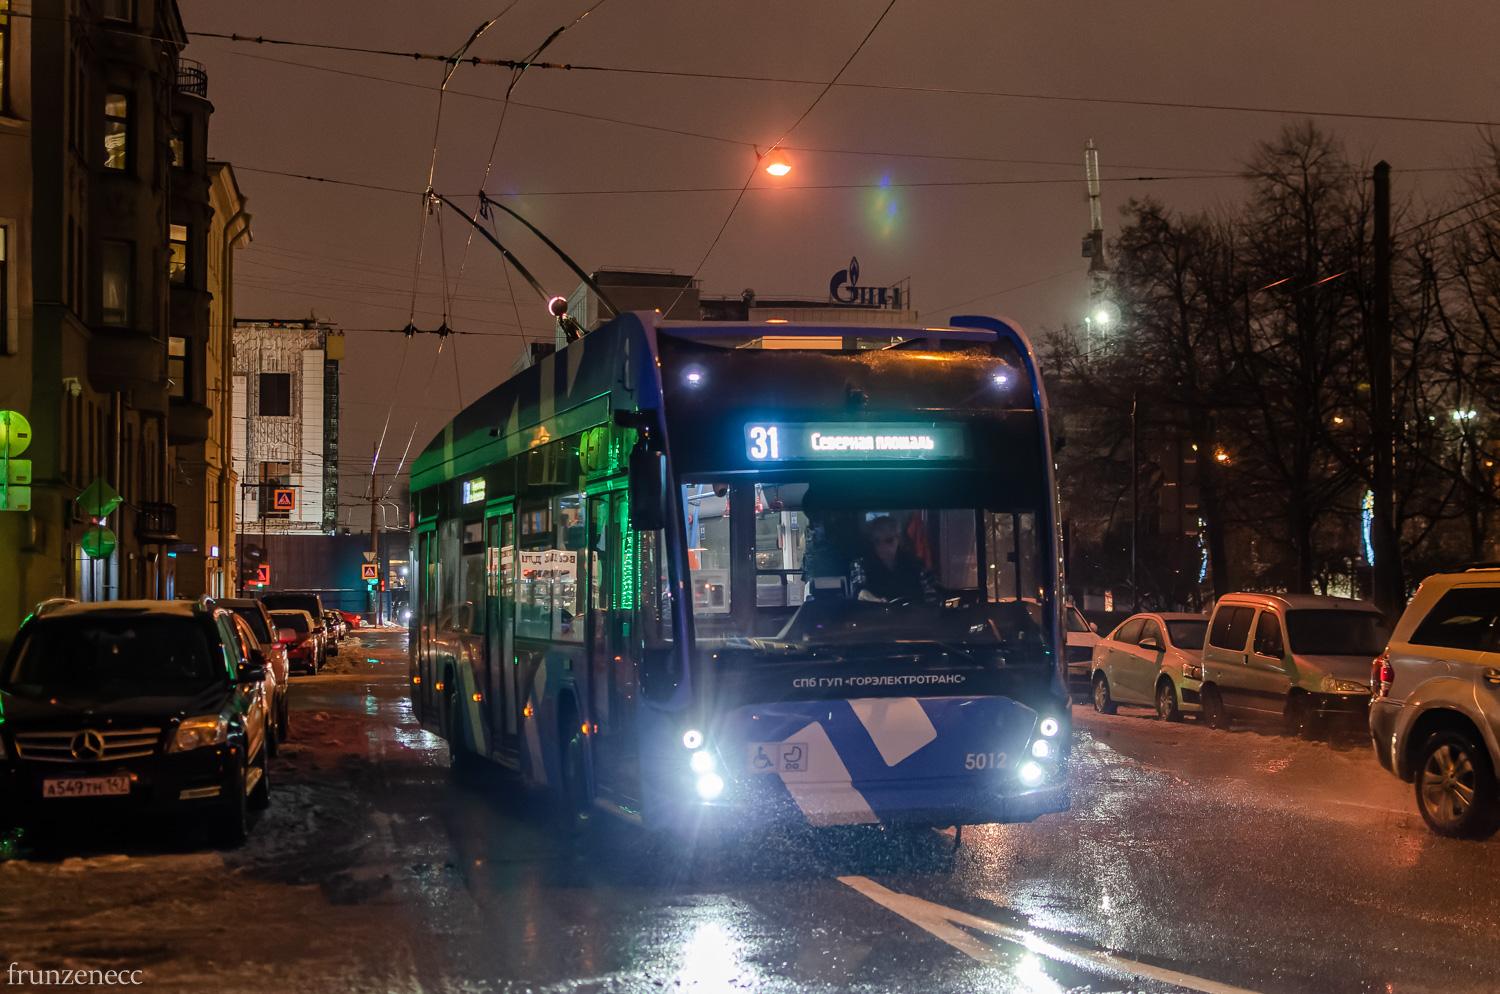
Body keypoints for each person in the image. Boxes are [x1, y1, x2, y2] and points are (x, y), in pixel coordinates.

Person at [849, 515, 937, 602]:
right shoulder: (861, 565)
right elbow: (860, 593)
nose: (883, 546)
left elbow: (933, 592)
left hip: (912, 615)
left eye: (889, 540)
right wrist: (877, 601)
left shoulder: (917, 565)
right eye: (877, 541)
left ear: (899, 540)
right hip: (876, 615)